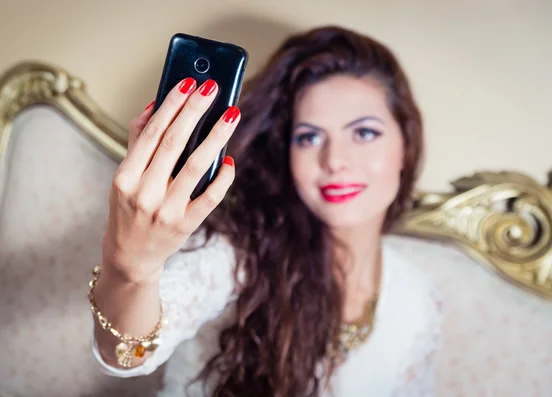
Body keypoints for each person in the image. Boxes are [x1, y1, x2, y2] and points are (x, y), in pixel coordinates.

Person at [89, 25, 443, 397]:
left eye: (364, 133)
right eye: (309, 137)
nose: (335, 160)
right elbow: (127, 355)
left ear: (407, 142)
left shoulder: (418, 298)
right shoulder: (238, 252)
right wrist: (130, 270)